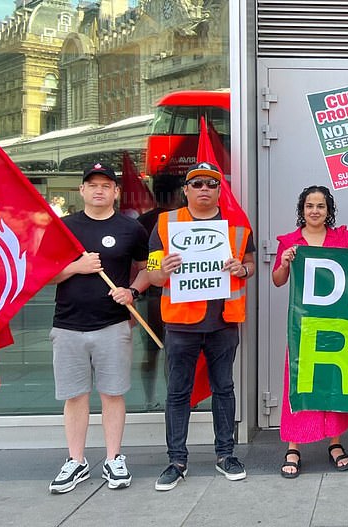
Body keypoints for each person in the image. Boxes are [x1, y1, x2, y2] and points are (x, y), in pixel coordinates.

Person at [147, 162, 256, 491]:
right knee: (178, 393)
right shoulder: (165, 224)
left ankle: (226, 455)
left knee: (224, 389)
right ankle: (176, 460)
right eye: (197, 184)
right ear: (186, 190)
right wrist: (162, 270)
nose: (204, 189)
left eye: (211, 183)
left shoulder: (236, 225)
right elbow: (152, 274)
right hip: (181, 325)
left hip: (223, 322)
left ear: (220, 189)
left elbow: (251, 264)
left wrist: (243, 269)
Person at [47, 163, 150, 494]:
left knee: (113, 393)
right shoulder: (64, 228)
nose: (99, 190)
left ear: (116, 192)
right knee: (75, 396)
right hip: (67, 325)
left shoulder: (131, 229)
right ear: (81, 191)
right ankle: (75, 461)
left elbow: (152, 265)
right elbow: (44, 274)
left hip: (113, 324)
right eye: (92, 185)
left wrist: (133, 290)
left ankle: (113, 458)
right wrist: (77, 267)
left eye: (106, 185)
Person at [272, 184, 348, 478]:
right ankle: (293, 446)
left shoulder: (341, 238)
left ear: (328, 211)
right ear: (302, 210)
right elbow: (278, 281)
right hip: (303, 329)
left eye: (321, 206)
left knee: (333, 385)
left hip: (335, 328)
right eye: (310, 206)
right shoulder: (290, 241)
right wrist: (284, 262)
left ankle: (335, 444)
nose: (315, 211)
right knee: (298, 385)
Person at [136, 174, 185, 410]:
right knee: (172, 352)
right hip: (165, 295)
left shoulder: (144, 220)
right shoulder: (174, 220)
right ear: (179, 192)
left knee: (153, 351)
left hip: (151, 295)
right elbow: (144, 266)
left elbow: (137, 266)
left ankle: (149, 400)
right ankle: (175, 400)